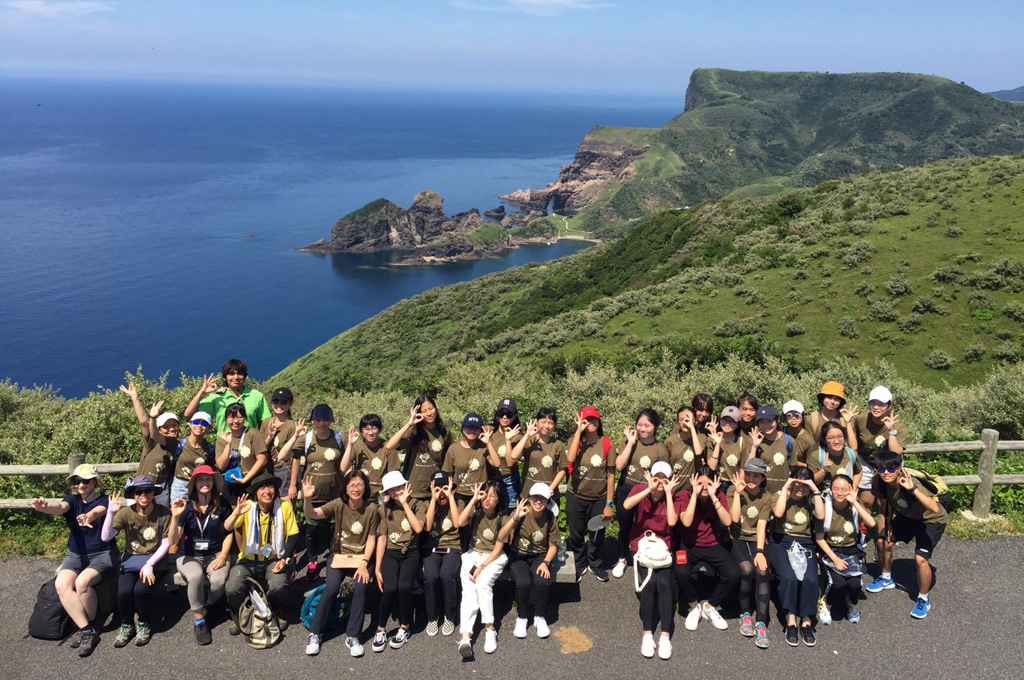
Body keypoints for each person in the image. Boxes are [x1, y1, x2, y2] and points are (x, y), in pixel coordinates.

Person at [30, 464, 116, 657]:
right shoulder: (72, 500)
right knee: (62, 584)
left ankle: (91, 624)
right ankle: (87, 629)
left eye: (86, 481)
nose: (81, 485)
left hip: (102, 554)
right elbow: (60, 508)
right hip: (75, 554)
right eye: (77, 481)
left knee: (82, 582)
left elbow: (100, 510)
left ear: (95, 482)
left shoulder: (104, 499)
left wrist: (89, 515)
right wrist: (44, 508)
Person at [301, 469, 379, 657]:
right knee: (331, 588)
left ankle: (353, 635)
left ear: (365, 487)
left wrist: (365, 562)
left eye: (360, 484)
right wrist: (307, 499)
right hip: (339, 555)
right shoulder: (338, 505)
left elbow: (371, 539)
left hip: (361, 557)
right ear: (345, 488)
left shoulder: (371, 509)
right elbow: (313, 513)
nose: (356, 488)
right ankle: (315, 633)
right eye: (352, 485)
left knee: (360, 587)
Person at [866, 448, 947, 619]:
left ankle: (923, 599)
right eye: (881, 469)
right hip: (907, 517)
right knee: (883, 543)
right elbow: (883, 509)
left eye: (890, 468)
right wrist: (883, 531)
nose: (886, 473)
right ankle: (886, 577)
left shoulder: (911, 481)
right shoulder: (879, 482)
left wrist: (912, 489)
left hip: (931, 520)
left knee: (921, 559)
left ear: (899, 468)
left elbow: (934, 508)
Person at [168, 465, 241, 645]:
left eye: (208, 479)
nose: (204, 482)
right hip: (190, 555)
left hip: (215, 553)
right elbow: (173, 541)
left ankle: (207, 605)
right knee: (195, 576)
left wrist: (224, 554)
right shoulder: (185, 506)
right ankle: (199, 620)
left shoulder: (222, 504)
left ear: (213, 482)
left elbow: (228, 531)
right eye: (200, 479)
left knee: (218, 581)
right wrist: (175, 517)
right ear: (194, 484)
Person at [101, 475, 172, 648]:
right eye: (138, 491)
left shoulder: (164, 512)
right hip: (132, 559)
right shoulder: (126, 513)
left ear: (154, 492)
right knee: (124, 592)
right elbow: (106, 537)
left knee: (141, 590)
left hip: (156, 560)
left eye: (148, 490)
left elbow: (166, 543)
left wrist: (150, 564)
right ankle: (126, 625)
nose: (143, 494)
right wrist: (110, 513)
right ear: (133, 494)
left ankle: (144, 623)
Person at [225, 472, 300, 634]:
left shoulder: (284, 506)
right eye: (262, 488)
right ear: (255, 493)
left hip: (274, 558)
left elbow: (293, 534)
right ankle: (238, 613)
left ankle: (274, 609)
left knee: (278, 585)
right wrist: (235, 513)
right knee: (232, 587)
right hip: (248, 559)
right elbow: (226, 527)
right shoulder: (247, 507)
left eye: (271, 486)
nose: (267, 491)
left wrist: (284, 559)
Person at [622, 461, 678, 660]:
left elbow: (671, 522)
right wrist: (648, 488)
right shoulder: (641, 489)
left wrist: (669, 493)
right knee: (648, 583)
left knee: (663, 583)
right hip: (640, 543)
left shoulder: (674, 496)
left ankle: (665, 635)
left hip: (663, 545)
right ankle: (647, 633)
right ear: (650, 476)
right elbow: (627, 505)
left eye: (665, 478)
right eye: (657, 477)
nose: (660, 481)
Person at [672, 466, 738, 634]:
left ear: (715, 483)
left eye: (708, 483)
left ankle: (710, 606)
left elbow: (728, 521)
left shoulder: (719, 496)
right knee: (681, 572)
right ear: (692, 481)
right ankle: (694, 607)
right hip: (687, 544)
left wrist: (714, 495)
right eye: (699, 482)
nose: (703, 486)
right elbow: (686, 522)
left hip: (712, 544)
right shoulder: (684, 496)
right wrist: (694, 494)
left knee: (733, 573)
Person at [769, 467, 825, 647]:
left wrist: (814, 489)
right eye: (797, 483)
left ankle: (807, 620)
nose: (800, 487)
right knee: (789, 577)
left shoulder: (812, 499)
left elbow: (821, 516)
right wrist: (788, 486)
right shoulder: (781, 495)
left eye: (805, 484)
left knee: (809, 579)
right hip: (781, 541)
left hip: (804, 543)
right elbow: (777, 514)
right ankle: (790, 618)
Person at [613, 409, 669, 579]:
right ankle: (622, 558)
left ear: (655, 427)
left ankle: (643, 555)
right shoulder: (629, 440)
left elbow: (662, 475)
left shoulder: (660, 449)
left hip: (647, 492)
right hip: (626, 488)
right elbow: (619, 466)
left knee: (645, 525)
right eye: (640, 425)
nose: (643, 428)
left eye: (647, 425)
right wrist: (630, 443)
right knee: (624, 526)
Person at [372, 471, 425, 652]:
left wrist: (404, 504)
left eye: (398, 487)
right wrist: (377, 567)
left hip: (410, 553)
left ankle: (405, 627)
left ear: (405, 485)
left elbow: (418, 528)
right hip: (391, 553)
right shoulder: (385, 508)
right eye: (391, 489)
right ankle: (380, 629)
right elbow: (382, 538)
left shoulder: (418, 504)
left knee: (404, 587)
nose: (396, 491)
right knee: (390, 588)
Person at [500, 482, 560, 640]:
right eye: (535, 498)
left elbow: (553, 546)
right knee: (523, 582)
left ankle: (539, 616)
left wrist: (546, 562)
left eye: (543, 499)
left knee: (542, 581)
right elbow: (501, 536)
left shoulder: (550, 517)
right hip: (518, 554)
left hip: (540, 556)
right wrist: (515, 518)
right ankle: (522, 617)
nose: (539, 502)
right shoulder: (521, 513)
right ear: (529, 498)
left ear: (548, 501)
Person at [456, 480, 509, 658]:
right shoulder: (475, 513)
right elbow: (459, 521)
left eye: (493, 495)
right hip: (472, 554)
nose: (488, 499)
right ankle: (465, 637)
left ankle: (490, 628)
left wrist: (482, 566)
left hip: (493, 557)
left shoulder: (503, 518)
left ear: (499, 499)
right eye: (485, 494)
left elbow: (498, 548)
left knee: (482, 584)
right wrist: (474, 499)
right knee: (469, 591)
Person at [814, 474, 876, 625]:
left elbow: (871, 523)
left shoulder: (854, 508)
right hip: (831, 550)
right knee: (838, 584)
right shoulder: (826, 508)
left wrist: (855, 502)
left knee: (855, 584)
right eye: (836, 488)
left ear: (850, 490)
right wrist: (835, 559)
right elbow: (819, 538)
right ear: (830, 490)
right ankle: (825, 601)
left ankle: (852, 602)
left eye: (844, 489)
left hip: (851, 550)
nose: (840, 493)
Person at [564, 406, 615, 582]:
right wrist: (578, 431)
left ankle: (595, 564)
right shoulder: (575, 440)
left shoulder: (607, 443)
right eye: (586, 420)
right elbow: (569, 459)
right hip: (575, 495)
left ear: (599, 422)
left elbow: (611, 475)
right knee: (576, 534)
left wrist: (609, 504)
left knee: (597, 534)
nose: (590, 423)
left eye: (593, 419)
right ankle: (579, 563)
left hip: (598, 498)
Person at [728, 458, 773, 649]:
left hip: (756, 538)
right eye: (748, 474)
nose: (751, 479)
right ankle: (745, 613)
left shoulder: (767, 496)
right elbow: (734, 518)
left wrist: (761, 551)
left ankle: (761, 622)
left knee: (762, 571)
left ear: (763, 478)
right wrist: (738, 494)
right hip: (736, 536)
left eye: (756, 475)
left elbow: (762, 525)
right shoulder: (733, 490)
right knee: (746, 569)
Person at [294, 404, 342, 581]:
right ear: (312, 421)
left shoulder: (339, 437)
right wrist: (295, 436)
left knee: (333, 530)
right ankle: (313, 562)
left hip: (334, 493)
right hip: (311, 495)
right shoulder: (306, 438)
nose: (322, 423)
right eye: (318, 420)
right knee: (311, 531)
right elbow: (284, 455)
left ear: (330, 420)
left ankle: (332, 560)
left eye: (325, 419)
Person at [849, 385, 908, 509]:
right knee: (866, 500)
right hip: (866, 462)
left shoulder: (899, 426)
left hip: (889, 464)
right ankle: (864, 527)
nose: (876, 407)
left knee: (885, 504)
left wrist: (891, 430)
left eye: (881, 404)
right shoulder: (861, 419)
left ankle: (885, 529)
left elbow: (896, 453)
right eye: (872, 403)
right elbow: (854, 444)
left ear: (889, 406)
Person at [387, 395, 453, 501]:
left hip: (436, 489)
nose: (429, 413)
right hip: (414, 491)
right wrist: (410, 423)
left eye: (431, 408)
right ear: (418, 413)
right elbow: (390, 446)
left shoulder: (444, 432)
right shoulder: (413, 431)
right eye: (424, 411)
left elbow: (449, 459)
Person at [120, 382, 177, 505]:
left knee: (159, 522)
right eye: (166, 427)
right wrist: (135, 398)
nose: (171, 429)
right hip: (140, 487)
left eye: (174, 425)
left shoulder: (179, 444)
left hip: (161, 489)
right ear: (159, 429)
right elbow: (143, 422)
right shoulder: (152, 442)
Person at [422, 471, 463, 637]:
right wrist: (433, 499)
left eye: (444, 487)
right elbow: (428, 527)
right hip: (432, 546)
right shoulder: (427, 504)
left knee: (447, 575)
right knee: (431, 576)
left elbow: (456, 523)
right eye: (437, 488)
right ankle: (432, 617)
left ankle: (449, 616)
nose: (441, 492)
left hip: (453, 545)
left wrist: (450, 496)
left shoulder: (458, 502)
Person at [186, 360, 271, 433]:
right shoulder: (217, 398)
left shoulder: (256, 396)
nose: (236, 377)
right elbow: (188, 414)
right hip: (224, 446)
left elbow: (265, 424)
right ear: (224, 377)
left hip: (250, 446)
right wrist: (202, 392)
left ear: (245, 376)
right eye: (231, 374)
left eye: (240, 373)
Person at [507, 408, 568, 500]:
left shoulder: (557, 445)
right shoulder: (529, 440)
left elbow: (563, 469)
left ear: (554, 426)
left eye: (550, 423)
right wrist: (527, 435)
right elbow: (514, 455)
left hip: (549, 494)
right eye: (543, 422)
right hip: (528, 492)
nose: (546, 426)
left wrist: (550, 489)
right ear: (537, 422)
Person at [214, 402, 269, 503]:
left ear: (244, 418)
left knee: (252, 514)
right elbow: (220, 465)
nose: (235, 421)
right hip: (231, 484)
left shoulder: (253, 434)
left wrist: (245, 479)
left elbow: (262, 460)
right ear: (226, 419)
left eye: (239, 417)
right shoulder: (222, 439)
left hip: (253, 482)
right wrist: (228, 444)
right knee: (235, 516)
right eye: (231, 418)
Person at [443, 413, 500, 504]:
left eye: (476, 428)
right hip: (460, 495)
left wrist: (488, 443)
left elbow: (496, 464)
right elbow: (447, 473)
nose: (472, 431)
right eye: (469, 428)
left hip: (481, 495)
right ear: (463, 429)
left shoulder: (483, 447)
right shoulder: (453, 448)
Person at [344, 413, 401, 500]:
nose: (370, 432)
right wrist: (350, 444)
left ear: (380, 429)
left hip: (382, 495)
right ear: (361, 430)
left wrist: (389, 494)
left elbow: (393, 474)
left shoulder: (388, 447)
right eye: (366, 429)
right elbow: (343, 467)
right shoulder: (357, 446)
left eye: (374, 428)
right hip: (360, 494)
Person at [168, 410, 215, 504]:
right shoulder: (180, 443)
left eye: (204, 423)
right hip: (180, 486)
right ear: (190, 424)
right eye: (196, 422)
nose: (200, 426)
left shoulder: (209, 448)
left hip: (199, 486)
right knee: (179, 515)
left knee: (197, 515)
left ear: (208, 428)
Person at [260, 387, 299, 497]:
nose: (279, 405)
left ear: (290, 403)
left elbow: (296, 456)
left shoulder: (293, 426)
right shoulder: (266, 422)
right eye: (276, 401)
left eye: (283, 402)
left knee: (286, 508)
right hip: (268, 470)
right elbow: (261, 448)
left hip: (286, 471)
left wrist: (293, 484)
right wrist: (270, 436)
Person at [488, 397, 523, 508]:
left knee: (510, 514)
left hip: (510, 480)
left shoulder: (518, 437)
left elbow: (510, 463)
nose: (504, 417)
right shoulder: (489, 432)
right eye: (501, 413)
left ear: (514, 416)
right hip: (491, 479)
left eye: (508, 414)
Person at [750, 405, 793, 494]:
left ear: (777, 421)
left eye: (769, 421)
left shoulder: (788, 440)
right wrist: (754, 446)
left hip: (783, 492)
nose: (766, 425)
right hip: (762, 493)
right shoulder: (756, 440)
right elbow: (748, 467)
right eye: (761, 422)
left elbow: (793, 468)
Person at [808, 421, 863, 489]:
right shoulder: (816, 456)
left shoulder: (851, 454)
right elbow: (812, 482)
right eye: (831, 438)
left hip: (846, 497)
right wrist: (823, 471)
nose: (836, 441)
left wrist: (854, 486)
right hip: (823, 497)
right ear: (824, 440)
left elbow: (858, 471)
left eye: (840, 437)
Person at [708, 405, 751, 487]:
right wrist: (717, 444)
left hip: (733, 484)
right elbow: (712, 467)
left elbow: (742, 469)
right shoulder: (712, 439)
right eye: (725, 420)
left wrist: (738, 487)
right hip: (716, 482)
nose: (727, 424)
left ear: (737, 424)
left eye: (732, 421)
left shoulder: (741, 442)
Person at [664, 405, 706, 490]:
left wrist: (692, 428)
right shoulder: (670, 441)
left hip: (694, 489)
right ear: (678, 422)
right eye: (681, 420)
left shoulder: (701, 437)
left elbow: (698, 452)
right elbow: (666, 464)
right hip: (675, 488)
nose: (685, 422)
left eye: (689, 419)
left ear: (696, 422)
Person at [781, 400, 817, 467]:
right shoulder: (779, 433)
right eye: (789, 415)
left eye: (797, 415)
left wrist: (792, 461)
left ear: (802, 416)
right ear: (784, 417)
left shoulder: (808, 441)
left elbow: (811, 466)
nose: (793, 418)